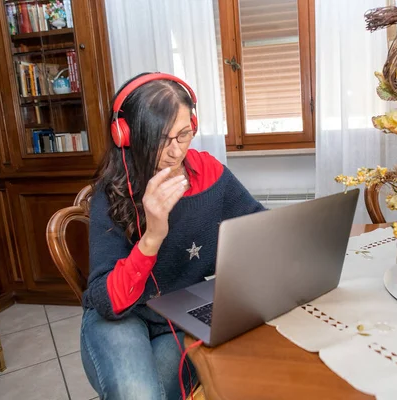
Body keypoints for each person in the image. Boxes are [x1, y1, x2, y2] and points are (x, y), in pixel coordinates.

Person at [80, 72, 265, 400]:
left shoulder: (210, 174)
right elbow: (106, 301)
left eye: (184, 134)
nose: (175, 152)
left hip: (180, 316)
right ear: (128, 136)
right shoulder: (108, 194)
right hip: (120, 317)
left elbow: (260, 229)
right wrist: (152, 236)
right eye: (161, 140)